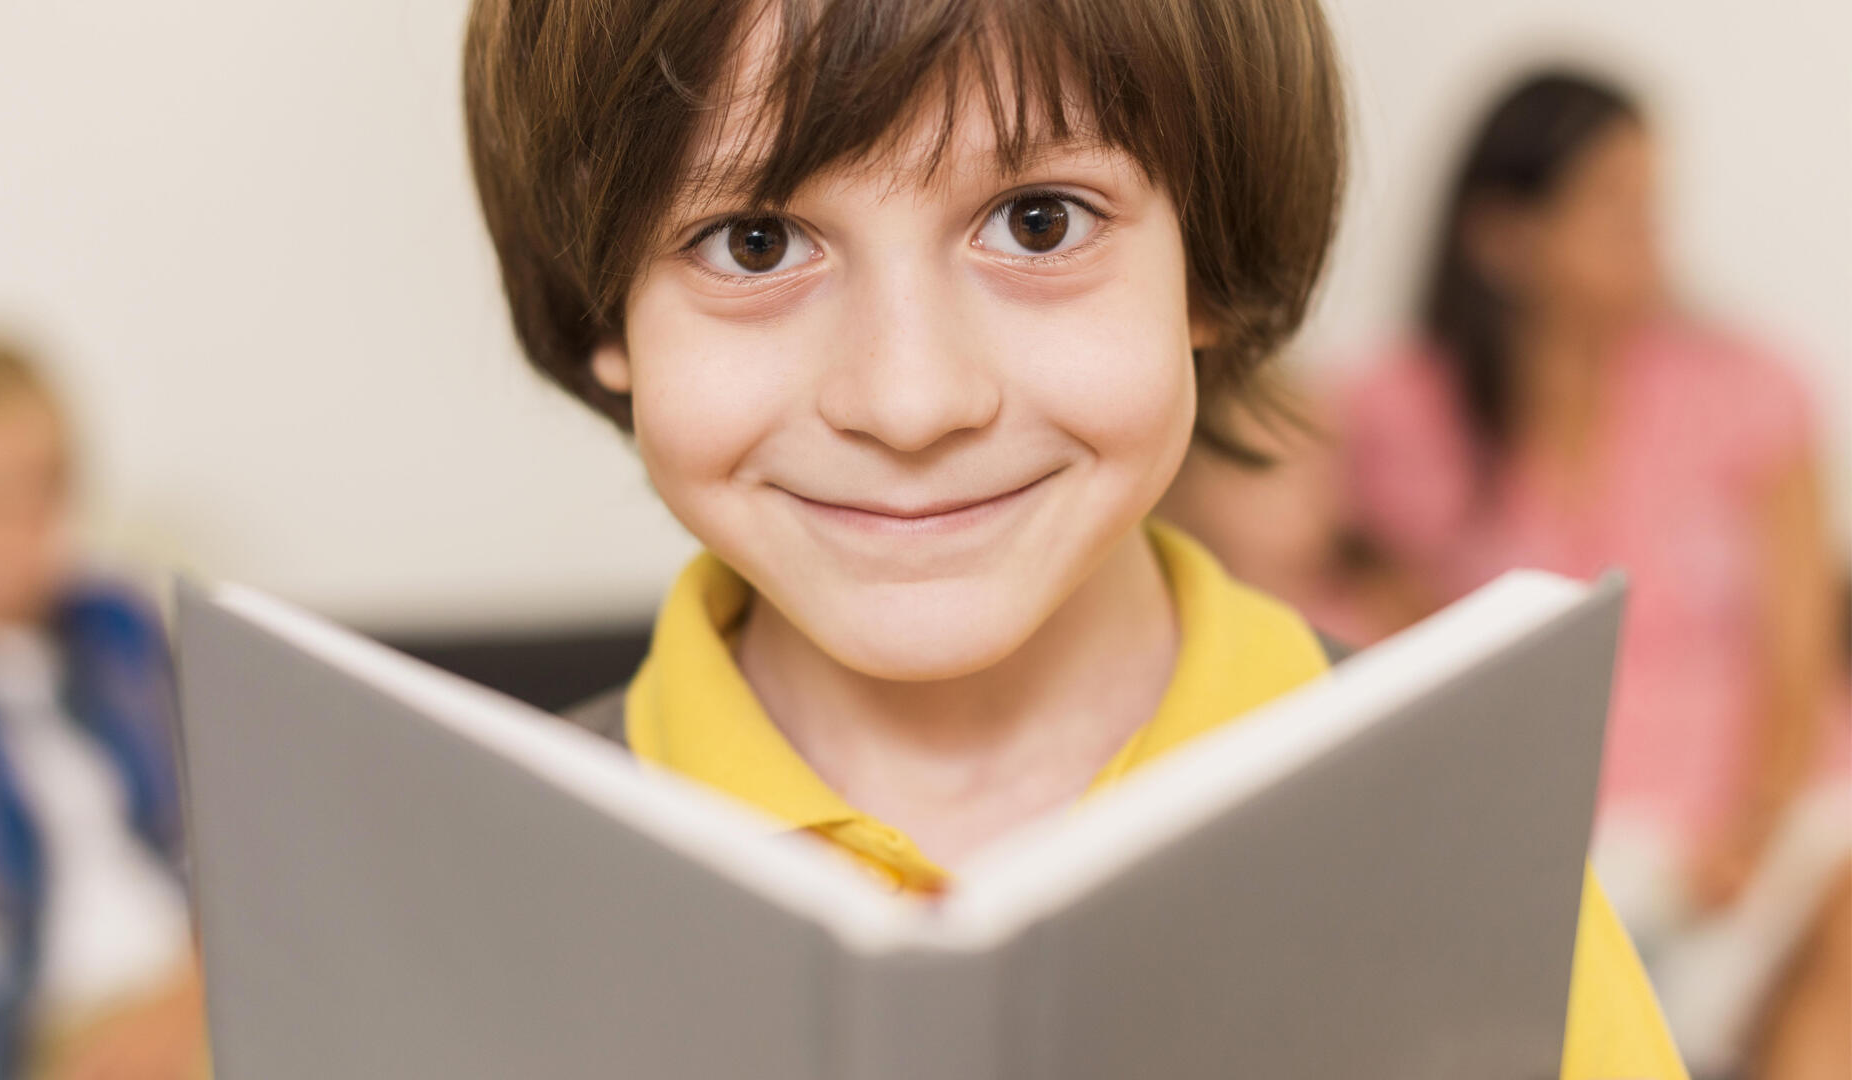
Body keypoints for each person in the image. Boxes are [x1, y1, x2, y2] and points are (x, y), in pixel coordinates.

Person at [462, 4, 1685, 1075]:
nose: (910, 400)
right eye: (756, 241)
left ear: (1206, 263)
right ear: (601, 304)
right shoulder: (477, 894)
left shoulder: (1462, 841)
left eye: (1039, 223)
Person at [1327, 70, 1848, 1078]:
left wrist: (1749, 833)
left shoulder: (1752, 388)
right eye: (1614, 204)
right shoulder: (1392, 415)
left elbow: (1800, 647)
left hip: (1763, 833)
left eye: (1654, 202)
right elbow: (1390, 643)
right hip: (1551, 848)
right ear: (1504, 237)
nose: (1651, 233)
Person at [0, 338, 208, 1080]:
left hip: (191, 986)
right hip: (15, 1032)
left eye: (31, 490)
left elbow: (217, 833)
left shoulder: (117, 632)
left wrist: (189, 993)